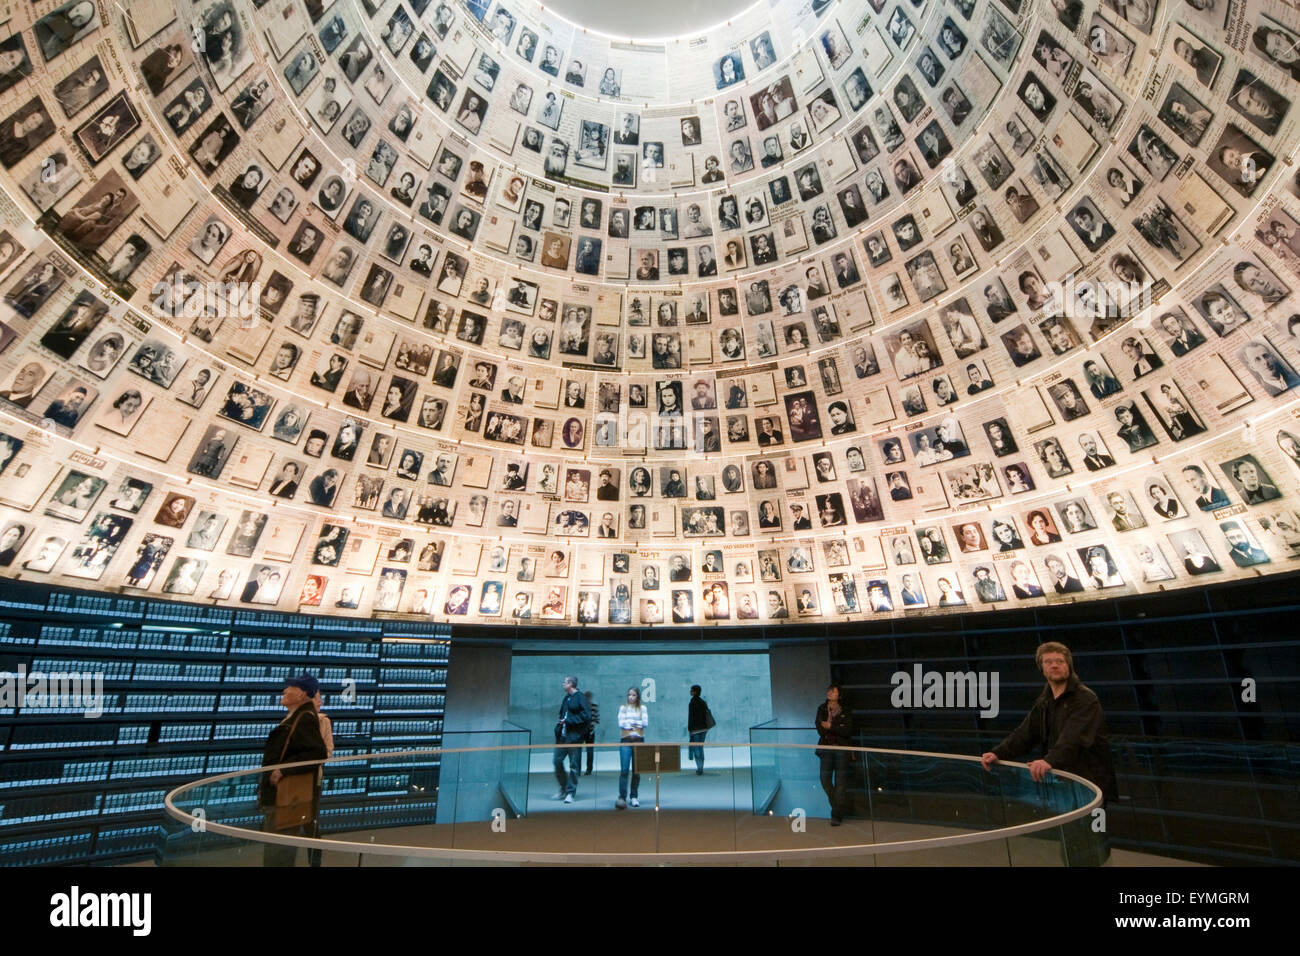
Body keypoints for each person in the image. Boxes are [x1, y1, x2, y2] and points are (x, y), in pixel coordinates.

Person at [981, 642, 1116, 864]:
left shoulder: (1085, 698)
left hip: (1092, 786)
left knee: (1094, 838)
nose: (1055, 666)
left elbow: (1073, 738)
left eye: (1060, 661)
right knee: (1071, 840)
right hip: (1065, 784)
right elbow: (1025, 734)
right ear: (1042, 668)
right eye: (1049, 662)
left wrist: (1048, 761)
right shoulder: (1044, 701)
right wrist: (998, 753)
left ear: (1069, 666)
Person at [259, 674, 328, 867]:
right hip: (282, 797)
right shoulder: (297, 716)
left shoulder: (305, 718)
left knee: (279, 854)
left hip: (286, 798)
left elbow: (317, 752)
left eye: (290, 687)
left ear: (302, 694)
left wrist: (284, 771)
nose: (285, 690)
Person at [816, 684, 854, 826]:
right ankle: (838, 808)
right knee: (824, 779)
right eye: (829, 690)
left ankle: (836, 815)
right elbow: (820, 728)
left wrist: (831, 727)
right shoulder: (821, 708)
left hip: (842, 750)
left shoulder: (846, 710)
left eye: (834, 691)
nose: (831, 692)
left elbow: (848, 730)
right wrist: (837, 728)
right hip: (826, 748)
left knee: (840, 783)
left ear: (839, 695)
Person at [552, 676, 591, 803]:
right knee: (557, 761)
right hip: (562, 737)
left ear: (571, 684)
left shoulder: (581, 697)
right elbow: (562, 713)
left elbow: (586, 716)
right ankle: (563, 788)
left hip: (574, 738)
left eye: (565, 682)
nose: (563, 684)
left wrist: (568, 721)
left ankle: (570, 792)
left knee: (574, 766)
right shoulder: (566, 698)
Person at [615, 686, 648, 809]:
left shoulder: (643, 708)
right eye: (629, 695)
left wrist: (631, 724)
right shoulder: (623, 708)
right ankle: (622, 797)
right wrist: (634, 724)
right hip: (626, 741)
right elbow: (621, 724)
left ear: (637, 696)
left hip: (639, 741)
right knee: (624, 770)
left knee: (637, 770)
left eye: (633, 695)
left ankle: (634, 796)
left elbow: (644, 723)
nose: (631, 697)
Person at [687, 684, 712, 775]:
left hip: (696, 729)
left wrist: (690, 729)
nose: (690, 691)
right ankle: (701, 767)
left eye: (691, 690)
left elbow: (691, 717)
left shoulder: (692, 702)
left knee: (697, 748)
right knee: (700, 748)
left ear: (695, 692)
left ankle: (699, 768)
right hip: (704, 729)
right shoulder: (703, 702)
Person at [583, 690, 600, 775]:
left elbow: (597, 719)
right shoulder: (581, 706)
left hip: (590, 731)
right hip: (582, 731)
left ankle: (589, 768)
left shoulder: (594, 706)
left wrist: (591, 727)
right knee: (577, 750)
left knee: (590, 751)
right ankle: (577, 769)